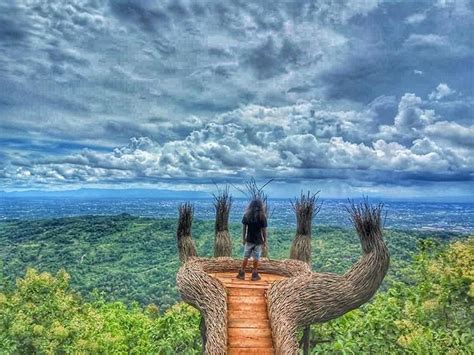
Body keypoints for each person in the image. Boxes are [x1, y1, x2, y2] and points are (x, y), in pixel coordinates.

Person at [236, 199, 268, 281]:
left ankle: (242, 273)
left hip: (249, 239)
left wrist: (243, 238)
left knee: (245, 256)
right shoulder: (262, 216)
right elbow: (264, 230)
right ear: (260, 206)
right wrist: (264, 241)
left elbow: (244, 229)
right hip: (258, 241)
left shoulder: (247, 215)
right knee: (256, 258)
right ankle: (254, 274)